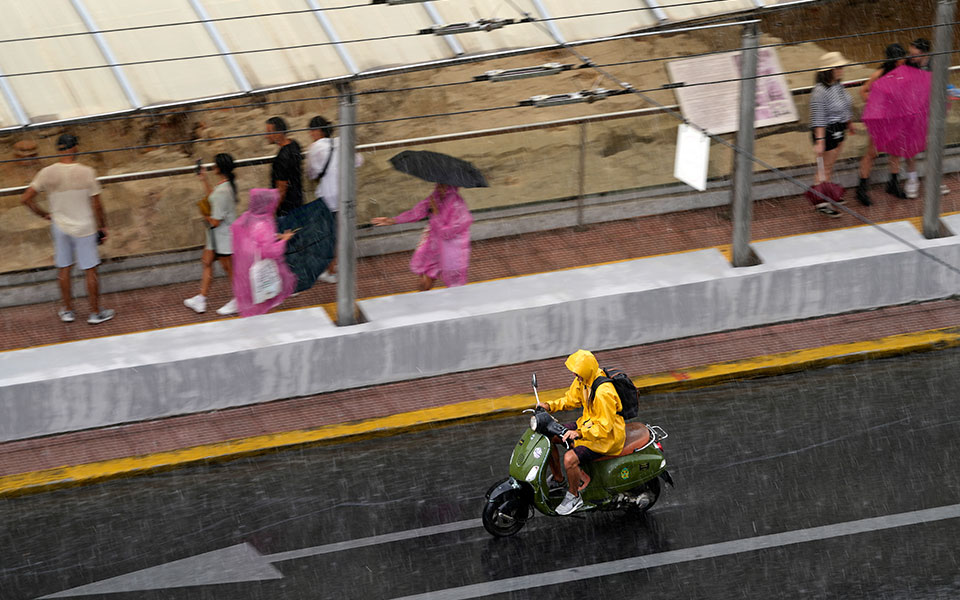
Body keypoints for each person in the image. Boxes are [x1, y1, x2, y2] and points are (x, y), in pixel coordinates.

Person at [21, 134, 115, 325]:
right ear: (74, 148)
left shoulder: (47, 172)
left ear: (58, 149)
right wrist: (102, 226)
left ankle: (68, 310)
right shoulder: (86, 171)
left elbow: (25, 198)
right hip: (85, 227)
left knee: (64, 268)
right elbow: (97, 204)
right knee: (90, 269)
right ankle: (95, 313)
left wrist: (44, 214)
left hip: (60, 226)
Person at [539, 350, 626, 516]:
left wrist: (578, 433)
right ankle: (558, 479)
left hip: (606, 439)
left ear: (586, 370)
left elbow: (604, 428)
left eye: (577, 371)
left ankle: (574, 496)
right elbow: (571, 399)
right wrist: (550, 406)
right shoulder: (584, 380)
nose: (574, 374)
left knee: (570, 459)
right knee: (549, 435)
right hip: (587, 426)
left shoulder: (603, 393)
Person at [371, 183, 472, 291]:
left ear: (451, 187)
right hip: (434, 247)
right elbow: (417, 212)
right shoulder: (436, 197)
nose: (440, 188)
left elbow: (447, 233)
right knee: (425, 279)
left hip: (451, 249)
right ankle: (421, 302)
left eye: (444, 186)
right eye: (439, 185)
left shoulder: (458, 204)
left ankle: (455, 305)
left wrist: (436, 213)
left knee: (455, 285)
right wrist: (393, 220)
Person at [305, 115, 364, 284]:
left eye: (311, 131)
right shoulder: (342, 142)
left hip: (328, 197)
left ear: (317, 131)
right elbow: (359, 161)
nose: (310, 134)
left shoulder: (315, 148)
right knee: (341, 232)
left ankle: (332, 270)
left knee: (329, 234)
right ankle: (338, 266)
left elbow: (311, 172)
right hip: (346, 195)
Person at [184, 153, 238, 316]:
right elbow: (212, 198)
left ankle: (238, 299)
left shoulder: (224, 191)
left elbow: (216, 221)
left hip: (223, 237)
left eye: (214, 165)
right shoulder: (224, 186)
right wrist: (204, 180)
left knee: (229, 269)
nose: (212, 167)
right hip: (216, 237)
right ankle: (201, 299)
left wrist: (204, 214)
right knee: (207, 262)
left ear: (220, 168)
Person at [230, 188, 297, 317]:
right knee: (263, 301)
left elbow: (250, 238)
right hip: (261, 271)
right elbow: (270, 251)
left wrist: (275, 236)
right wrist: (284, 240)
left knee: (252, 303)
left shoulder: (248, 217)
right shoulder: (264, 223)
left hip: (247, 269)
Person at [857, 43, 908, 205]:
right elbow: (863, 90)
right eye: (901, 57)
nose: (904, 60)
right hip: (880, 121)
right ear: (894, 59)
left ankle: (893, 183)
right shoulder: (879, 74)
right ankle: (861, 188)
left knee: (896, 151)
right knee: (872, 153)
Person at [809, 52, 855, 218]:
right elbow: (818, 118)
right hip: (827, 132)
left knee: (828, 166)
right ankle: (820, 200)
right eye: (838, 67)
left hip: (838, 129)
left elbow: (845, 104)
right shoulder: (819, 92)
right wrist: (820, 140)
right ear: (829, 70)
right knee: (824, 167)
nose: (842, 70)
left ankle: (825, 194)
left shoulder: (837, 85)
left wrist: (848, 122)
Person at [265, 116, 303, 217]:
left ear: (279, 133)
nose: (266, 136)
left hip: (286, 210)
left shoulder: (281, 158)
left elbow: (281, 191)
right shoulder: (294, 145)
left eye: (269, 132)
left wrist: (271, 212)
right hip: (297, 203)